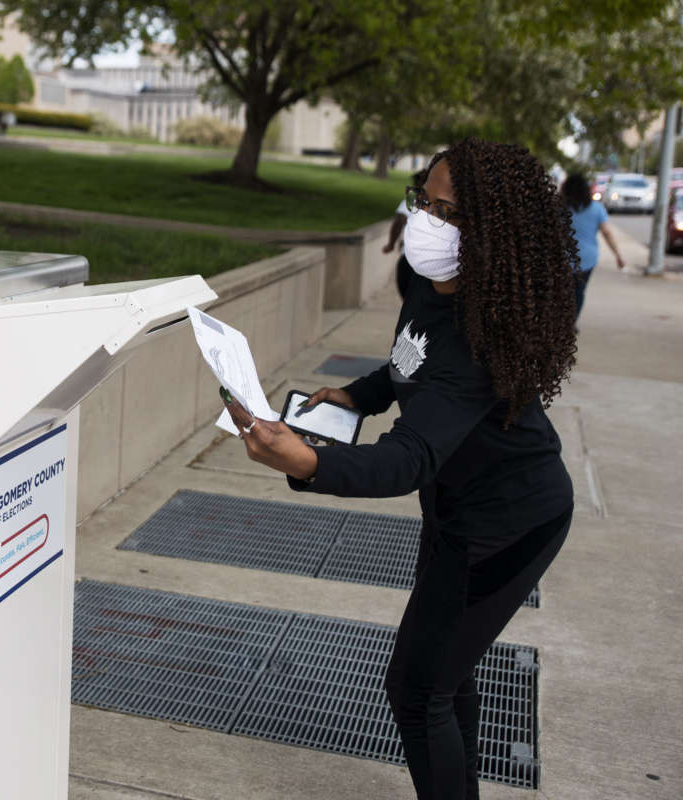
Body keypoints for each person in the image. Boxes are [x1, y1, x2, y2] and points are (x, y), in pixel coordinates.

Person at [222, 138, 578, 800]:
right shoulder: (430, 284)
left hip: (507, 523)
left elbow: (407, 457)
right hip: (457, 509)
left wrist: (308, 461)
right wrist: (358, 395)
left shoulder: (482, 341)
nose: (426, 222)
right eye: (425, 200)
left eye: (449, 213)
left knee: (417, 690)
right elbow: (407, 363)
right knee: (446, 675)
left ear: (493, 238)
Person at [561, 172, 625, 321]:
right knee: (579, 291)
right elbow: (607, 233)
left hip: (562, 257)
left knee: (562, 290)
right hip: (587, 258)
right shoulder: (596, 209)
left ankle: (562, 321)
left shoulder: (560, 209)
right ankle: (572, 321)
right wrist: (618, 255)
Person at [383, 169, 426, 299]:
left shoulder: (411, 202)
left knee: (409, 300)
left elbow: (398, 222)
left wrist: (391, 244)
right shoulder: (442, 207)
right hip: (423, 262)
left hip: (410, 259)